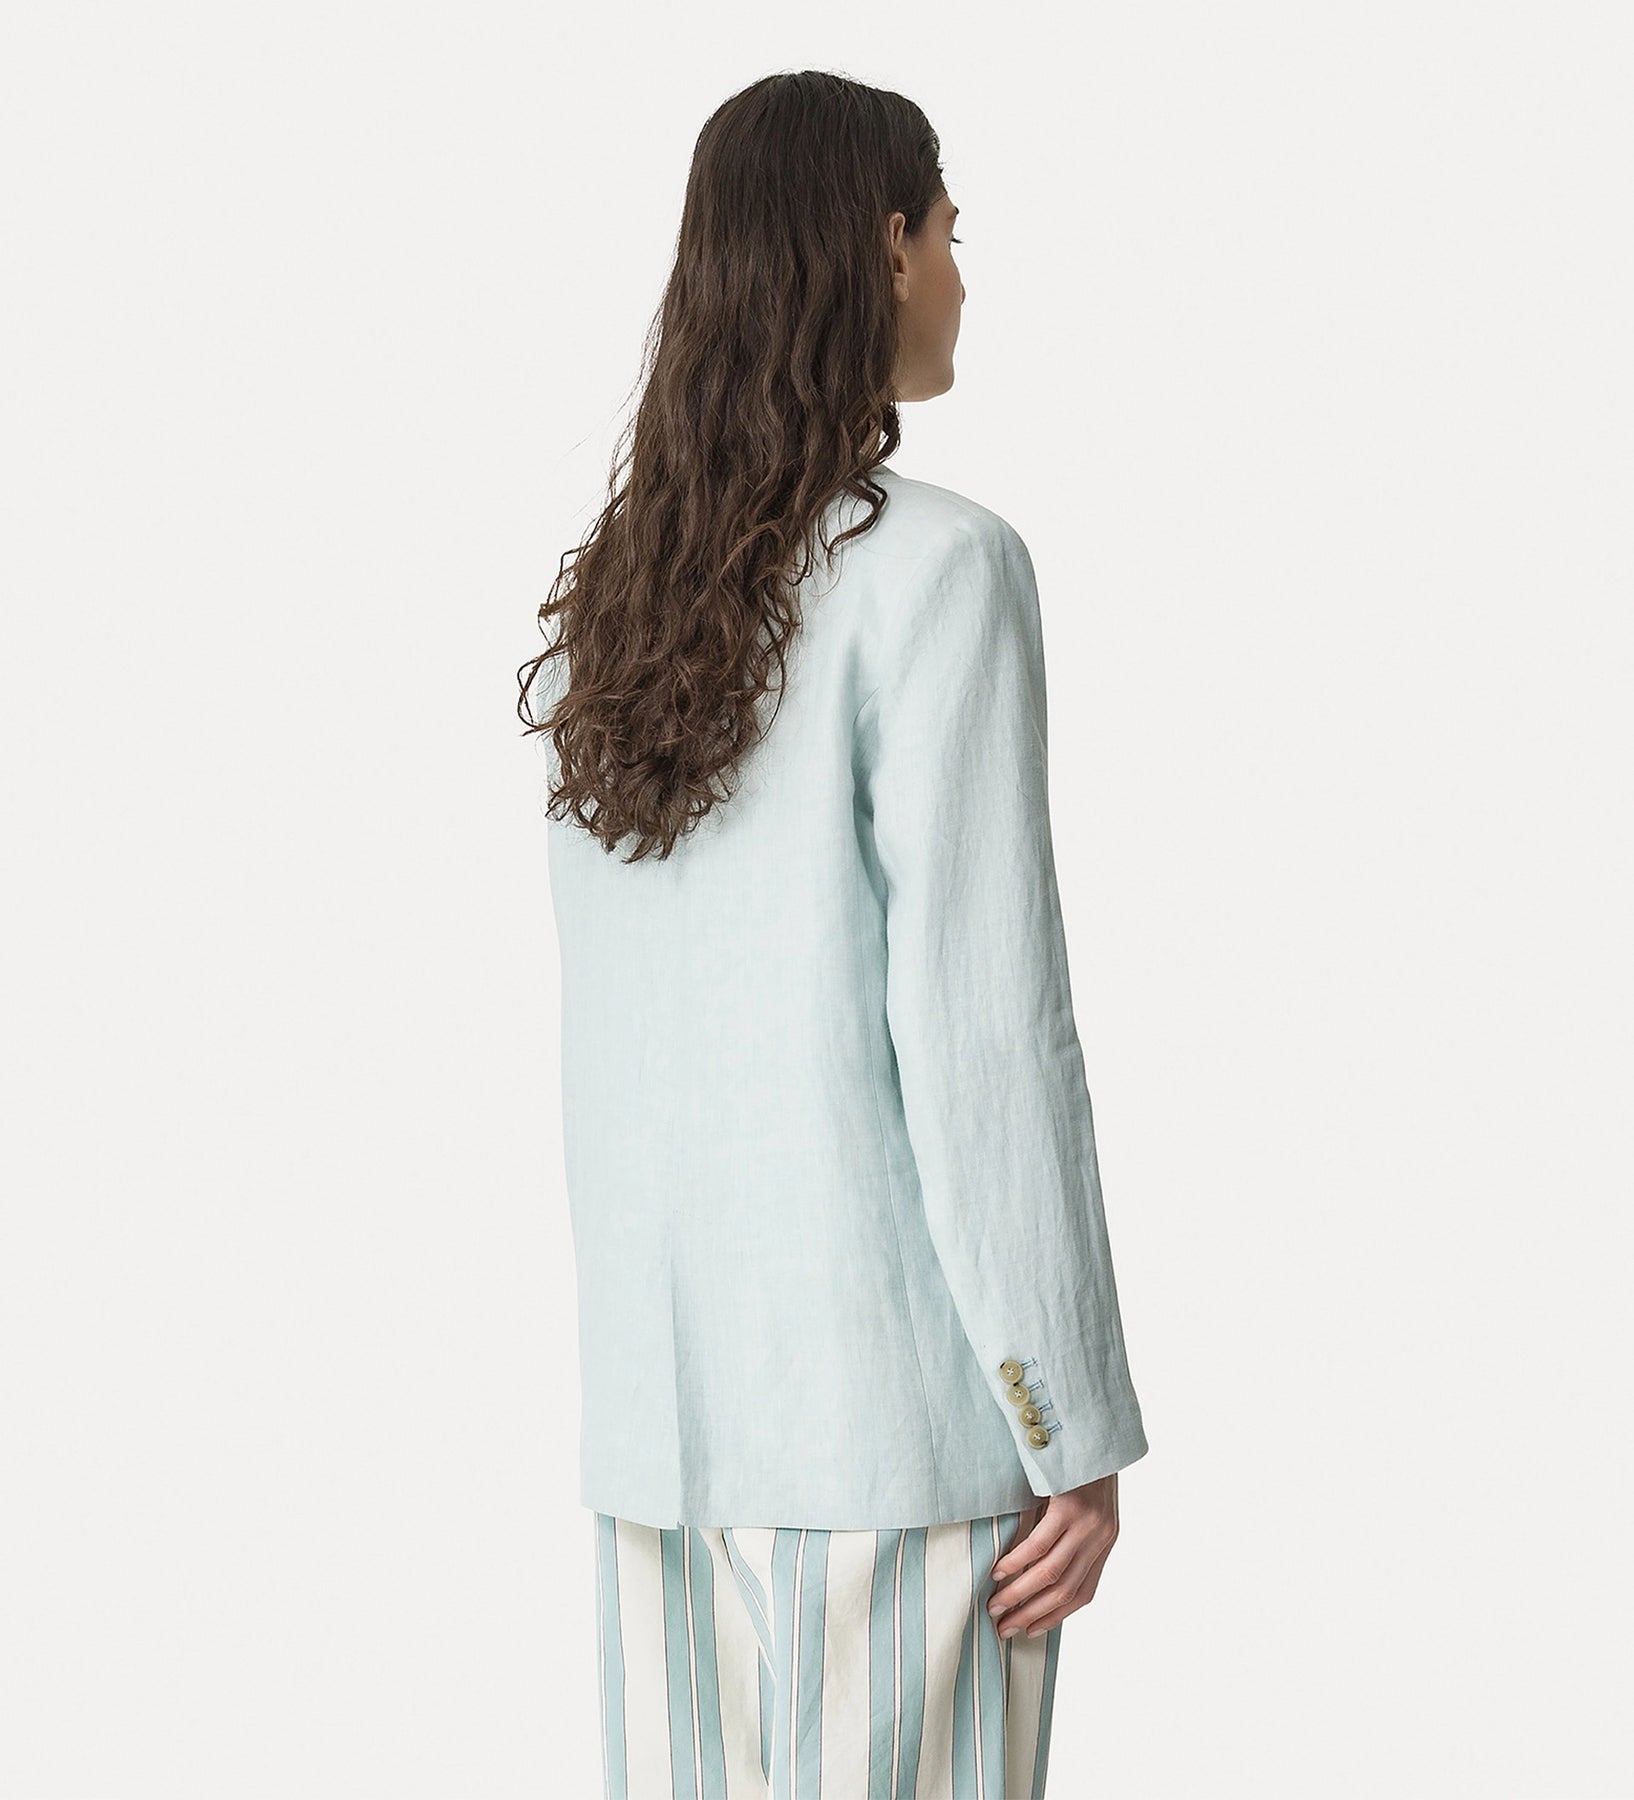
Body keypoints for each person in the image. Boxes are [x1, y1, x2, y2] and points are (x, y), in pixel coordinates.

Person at [518, 69, 1150, 1800]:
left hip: (663, 1448)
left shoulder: (617, 612)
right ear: (882, 245)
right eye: (950, 232)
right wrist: (1066, 1417)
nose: (961, 276)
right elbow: (983, 1037)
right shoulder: (941, 573)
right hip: (896, 1447)